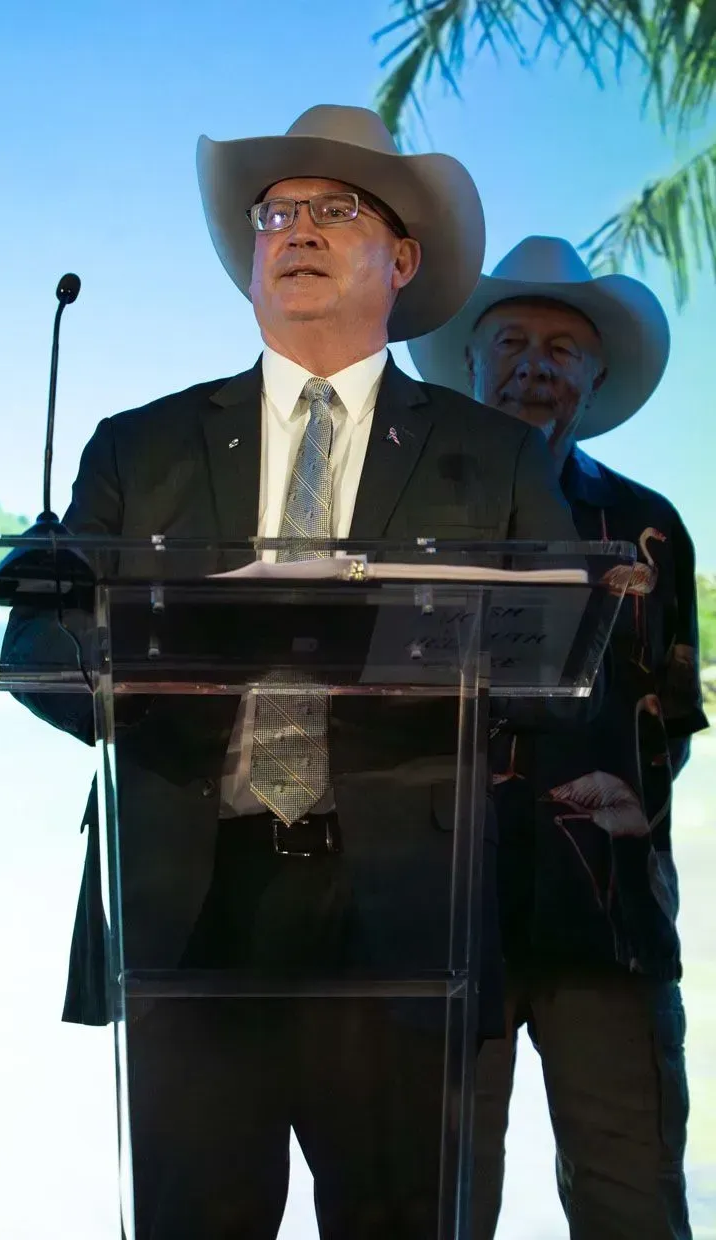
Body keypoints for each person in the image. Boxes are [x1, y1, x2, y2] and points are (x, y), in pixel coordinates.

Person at [2, 118, 581, 1240]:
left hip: (403, 916)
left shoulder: (492, 455)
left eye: (335, 210)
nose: (297, 231)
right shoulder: (140, 447)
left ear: (401, 261)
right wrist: (162, 666)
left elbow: (555, 654)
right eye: (277, 212)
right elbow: (40, 648)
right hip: (191, 903)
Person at [409, 234, 709, 1240]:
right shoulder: (404, 518)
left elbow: (668, 718)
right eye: (511, 340)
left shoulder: (648, 525)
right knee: (433, 1202)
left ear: (592, 375)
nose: (534, 363)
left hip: (607, 923)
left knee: (632, 1199)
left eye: (559, 347)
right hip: (442, 919)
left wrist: (633, 816)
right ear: (469, 362)